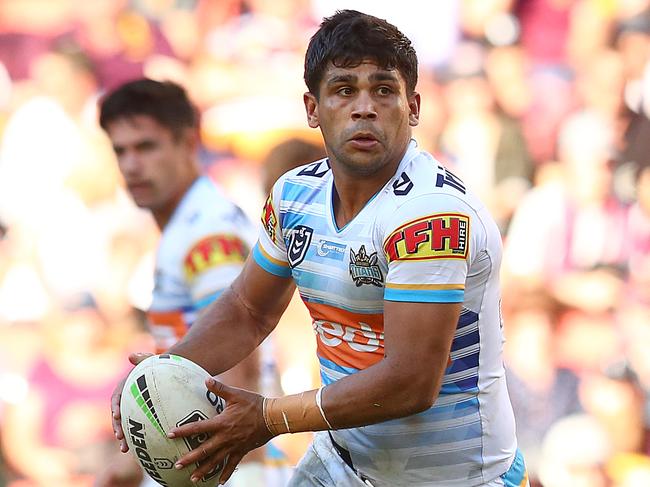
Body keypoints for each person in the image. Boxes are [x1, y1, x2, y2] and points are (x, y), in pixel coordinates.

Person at [111, 10, 528, 487]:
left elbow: (412, 381)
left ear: (413, 107)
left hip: (454, 478)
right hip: (343, 461)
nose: (364, 107)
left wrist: (270, 418)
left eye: (384, 90)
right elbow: (249, 309)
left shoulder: (430, 214)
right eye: (345, 89)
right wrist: (162, 375)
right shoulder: (293, 196)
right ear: (313, 108)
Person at [96, 79, 277, 487]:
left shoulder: (207, 233)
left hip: (226, 470)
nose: (130, 165)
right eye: (120, 150)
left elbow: (237, 369)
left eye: (146, 147)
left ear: (187, 142)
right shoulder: (185, 226)